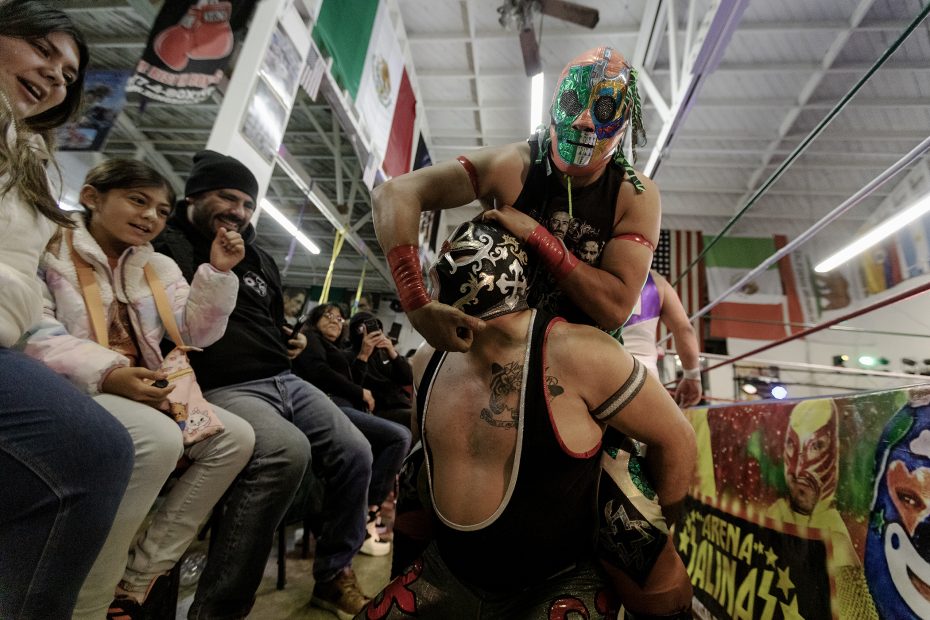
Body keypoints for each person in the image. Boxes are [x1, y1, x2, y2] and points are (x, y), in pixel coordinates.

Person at [359, 220, 696, 619]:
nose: (446, 257)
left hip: (556, 582)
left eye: (455, 253)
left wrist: (651, 541)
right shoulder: (427, 358)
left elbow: (677, 438)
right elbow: (422, 462)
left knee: (640, 535)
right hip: (447, 570)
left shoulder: (580, 352)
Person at [24, 158, 255, 618]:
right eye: (137, 200)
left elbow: (196, 332)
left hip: (137, 386)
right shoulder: (49, 244)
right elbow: (34, 331)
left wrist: (218, 273)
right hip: (65, 386)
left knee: (235, 438)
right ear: (92, 197)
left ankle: (138, 576)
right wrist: (109, 373)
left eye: (162, 211)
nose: (151, 216)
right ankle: (88, 603)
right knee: (159, 438)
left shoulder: (157, 265)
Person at [153, 149, 375, 619]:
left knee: (357, 451)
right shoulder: (168, 245)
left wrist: (291, 340)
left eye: (248, 204)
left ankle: (333, 575)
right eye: (227, 197)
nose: (239, 211)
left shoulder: (260, 259)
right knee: (286, 452)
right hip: (219, 385)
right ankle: (220, 610)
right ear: (194, 195)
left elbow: (272, 322)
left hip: (283, 378)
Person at [371, 45, 658, 352]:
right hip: (495, 344)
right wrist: (417, 304)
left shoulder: (633, 193)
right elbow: (393, 193)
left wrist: (538, 237)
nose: (584, 121)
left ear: (624, 121)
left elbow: (614, 308)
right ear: (556, 103)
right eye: (572, 101)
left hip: (582, 353)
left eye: (603, 108)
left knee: (642, 386)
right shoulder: (513, 166)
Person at [0, 3, 135, 618]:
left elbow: (27, 307)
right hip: (24, 353)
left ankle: (117, 593)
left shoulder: (26, 160)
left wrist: (110, 369)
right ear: (94, 198)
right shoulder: (70, 243)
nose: (56, 74)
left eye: (70, 73)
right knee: (96, 447)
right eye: (42, 49)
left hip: (22, 345)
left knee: (168, 436)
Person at [293, 302, 412, 557]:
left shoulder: (345, 351)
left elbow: (405, 377)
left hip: (352, 408)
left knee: (399, 434)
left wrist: (390, 351)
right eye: (329, 315)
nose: (335, 321)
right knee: (400, 435)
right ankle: (368, 513)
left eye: (339, 318)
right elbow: (325, 374)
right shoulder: (317, 341)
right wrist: (362, 367)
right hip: (336, 407)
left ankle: (365, 516)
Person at [623, 270, 703, 407]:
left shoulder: (595, 268)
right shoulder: (657, 281)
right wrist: (692, 376)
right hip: (645, 379)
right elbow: (684, 330)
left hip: (597, 370)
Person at [346, 311, 415, 429]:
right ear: (354, 331)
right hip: (377, 410)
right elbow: (353, 385)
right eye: (362, 328)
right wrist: (364, 355)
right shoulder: (348, 355)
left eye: (374, 326)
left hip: (402, 405)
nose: (368, 332)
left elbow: (408, 379)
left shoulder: (384, 352)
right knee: (418, 419)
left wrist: (393, 353)